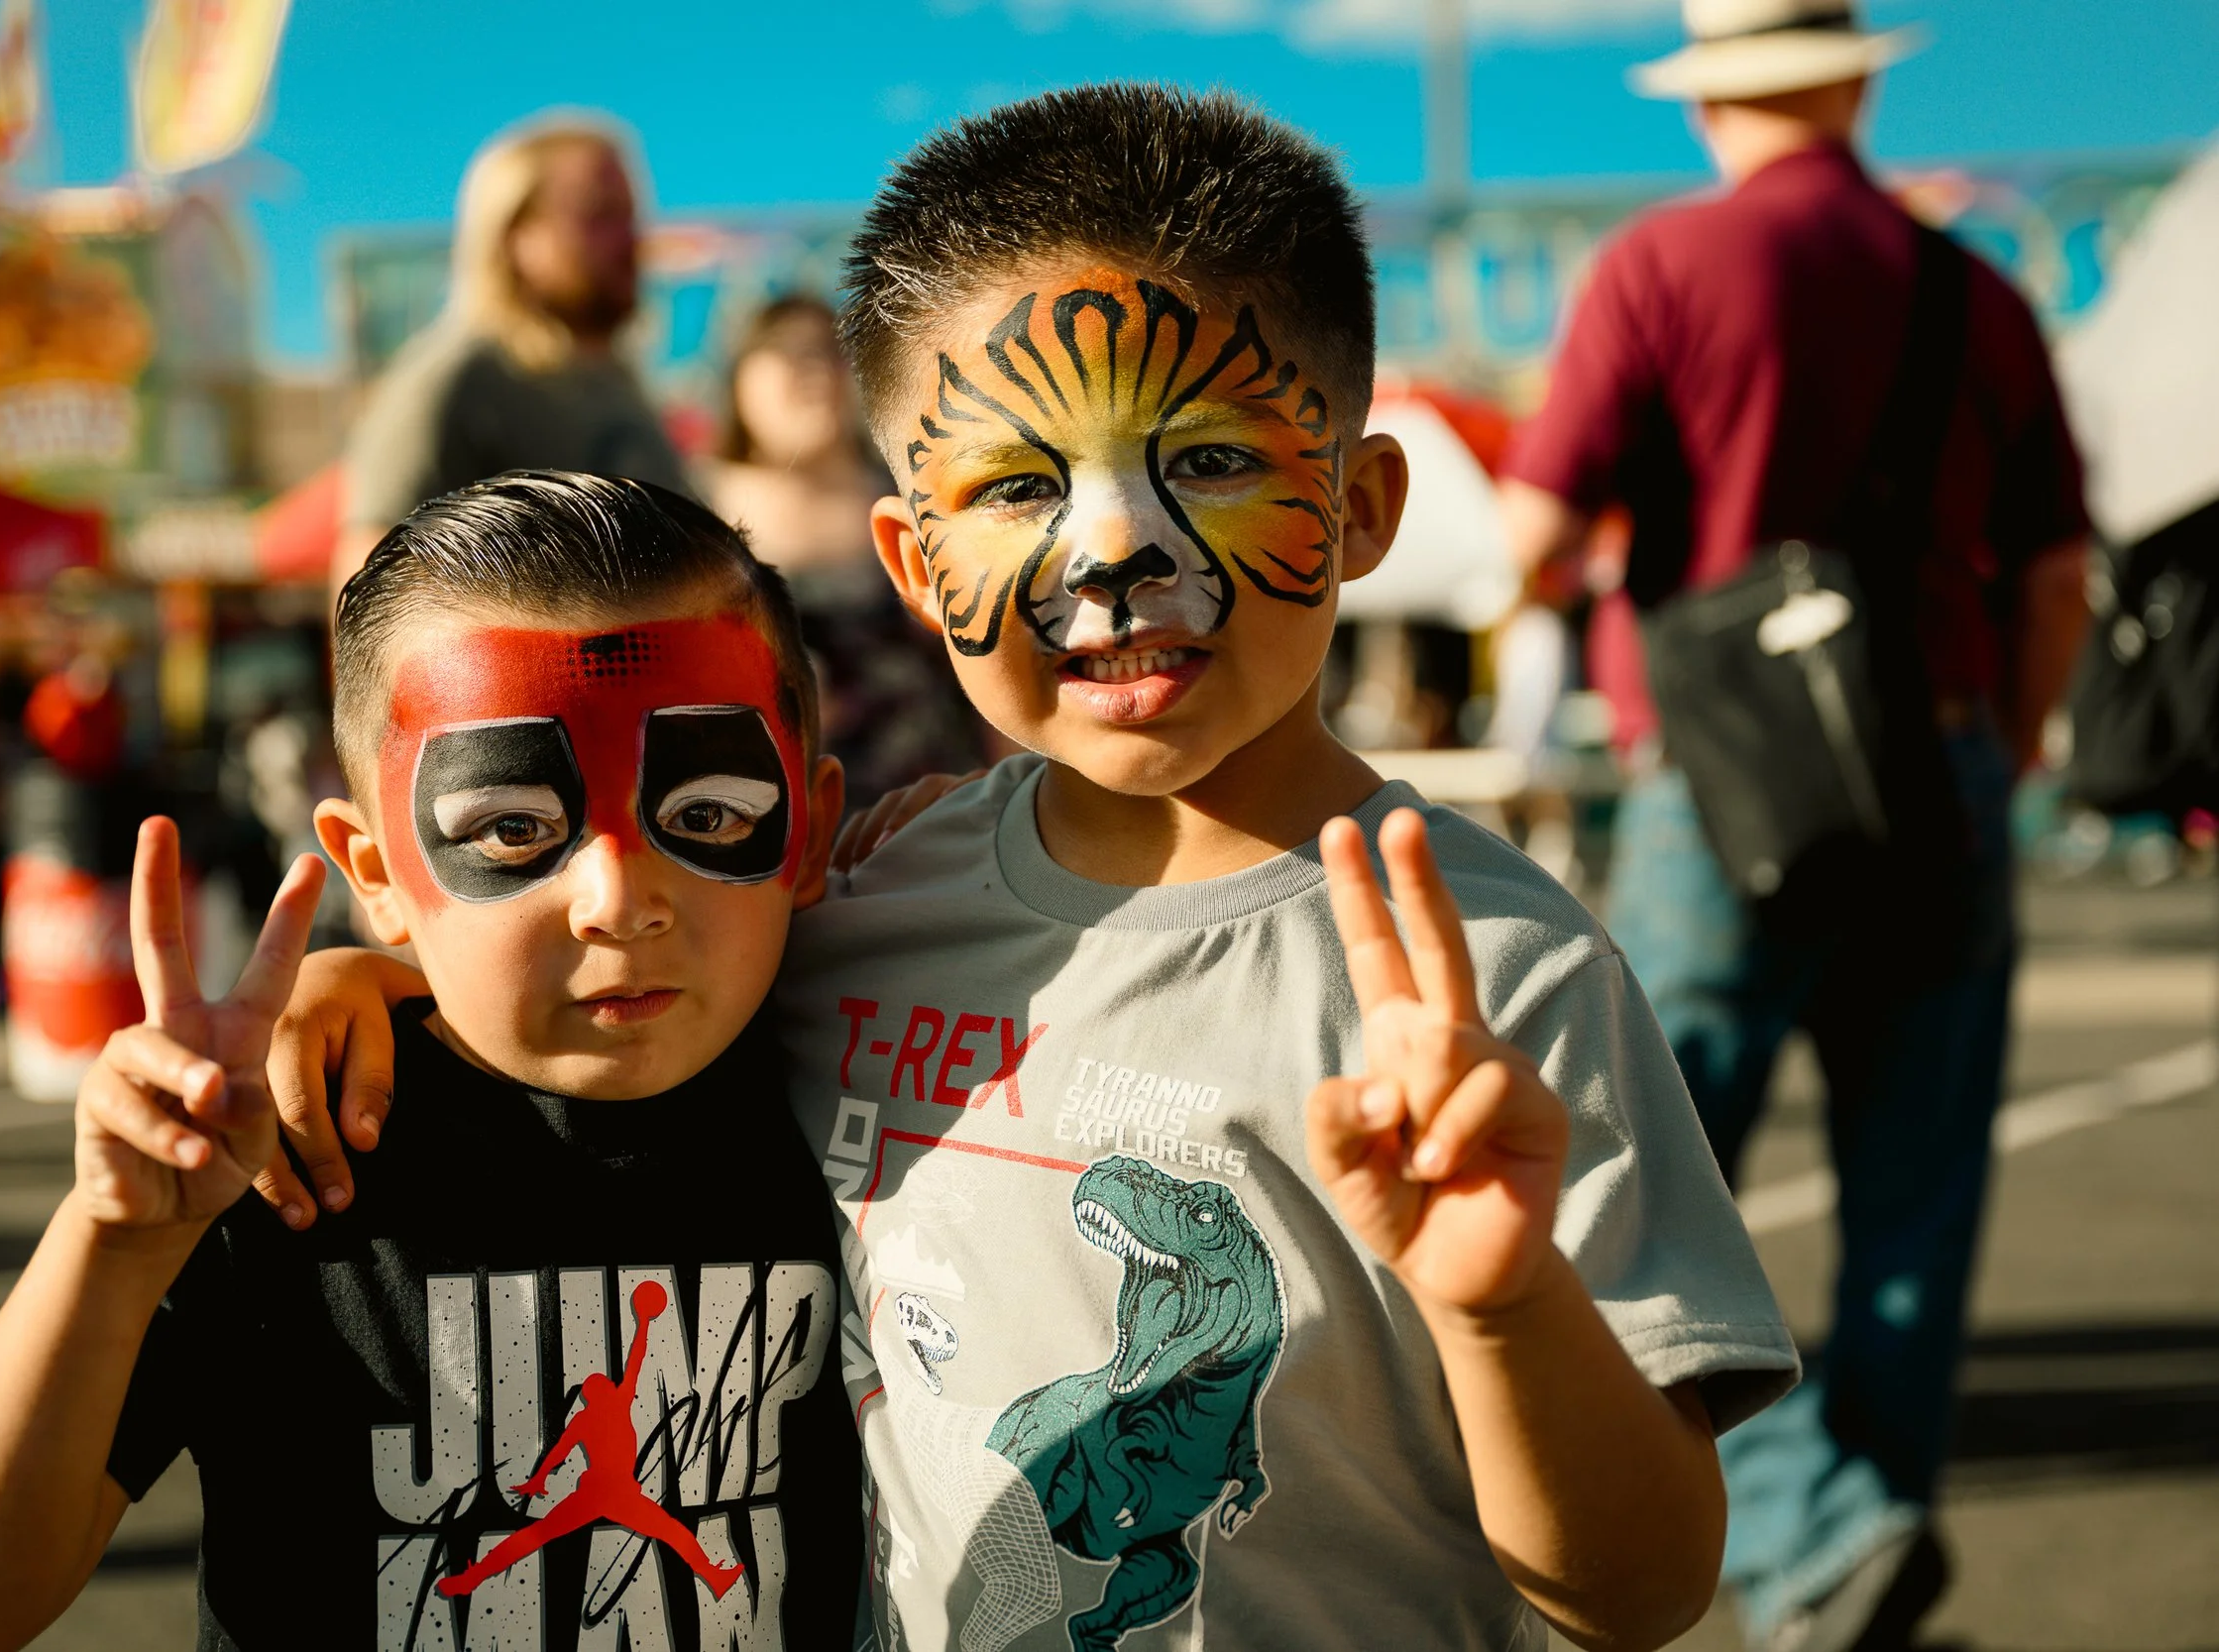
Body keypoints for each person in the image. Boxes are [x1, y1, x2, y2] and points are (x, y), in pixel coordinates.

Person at [270, 86, 1799, 1652]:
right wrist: (375, 974)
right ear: (914, 568)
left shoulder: (1495, 984)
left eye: (1205, 456)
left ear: (1359, 507)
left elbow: (1646, 1584)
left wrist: (1503, 1303)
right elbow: (611, 968)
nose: (1112, 548)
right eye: (1013, 486)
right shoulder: (862, 900)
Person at [0, 475, 862, 1651]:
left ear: (807, 824)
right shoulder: (285, 1148)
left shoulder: (874, 1094)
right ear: (373, 869)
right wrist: (114, 1245)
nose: (616, 899)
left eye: (704, 815)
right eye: (510, 828)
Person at [1496, 5, 2095, 1647]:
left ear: (1710, 105)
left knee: (1637, 1178)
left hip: (1721, 778)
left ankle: (1801, 1526)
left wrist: (1611, 592)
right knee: (1917, 1190)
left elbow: (1537, 529)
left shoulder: (1662, 266)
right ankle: (1867, 1523)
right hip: (1946, 767)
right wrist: (2006, 747)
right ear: (1849, 86)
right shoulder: (1977, 293)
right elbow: (2053, 577)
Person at [333, 115, 690, 595]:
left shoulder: (622, 383)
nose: (632, 240)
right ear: (514, 233)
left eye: (630, 215)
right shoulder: (458, 379)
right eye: (600, 215)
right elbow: (368, 591)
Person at [701, 293, 988, 808]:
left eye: (829, 351)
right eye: (787, 351)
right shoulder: (696, 517)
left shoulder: (916, 493)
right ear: (738, 378)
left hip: (947, 799)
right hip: (793, 819)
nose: (814, 370)